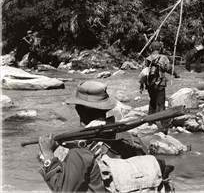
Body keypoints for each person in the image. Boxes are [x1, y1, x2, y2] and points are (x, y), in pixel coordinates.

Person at [38, 80, 174, 192]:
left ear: (78, 110)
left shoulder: (81, 151)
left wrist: (49, 156)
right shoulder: (130, 138)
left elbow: (62, 190)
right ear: (106, 109)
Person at [140, 41, 180, 134]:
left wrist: (142, 84)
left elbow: (143, 72)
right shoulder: (164, 58)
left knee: (152, 101)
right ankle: (162, 125)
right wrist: (175, 74)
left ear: (151, 49)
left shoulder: (147, 59)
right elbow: (169, 68)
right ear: (160, 49)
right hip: (160, 84)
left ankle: (150, 121)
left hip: (150, 84)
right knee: (161, 104)